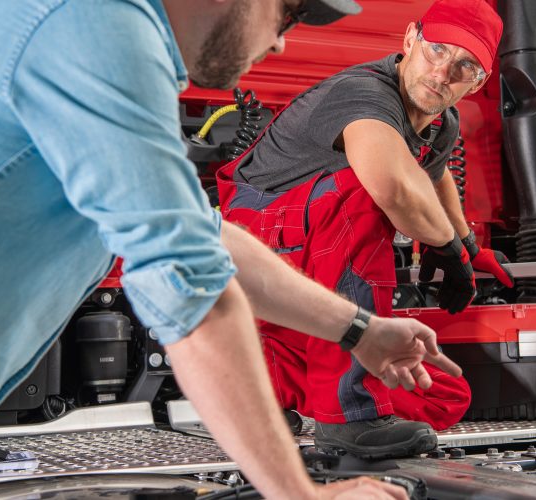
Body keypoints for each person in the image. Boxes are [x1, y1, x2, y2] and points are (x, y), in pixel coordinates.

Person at [0, 1, 464, 498]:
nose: (280, 43)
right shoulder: (93, 22)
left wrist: (362, 332)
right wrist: (298, 494)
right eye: (285, 15)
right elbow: (189, 280)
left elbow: (203, 238)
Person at [217, 0, 512, 459]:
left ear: (480, 81)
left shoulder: (441, 120)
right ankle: (348, 417)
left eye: (464, 66)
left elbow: (434, 177)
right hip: (253, 239)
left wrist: (469, 247)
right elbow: (392, 186)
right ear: (410, 38)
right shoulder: (364, 92)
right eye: (436, 50)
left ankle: (270, 383)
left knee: (445, 393)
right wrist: (448, 249)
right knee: (363, 192)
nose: (442, 72)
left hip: (306, 258)